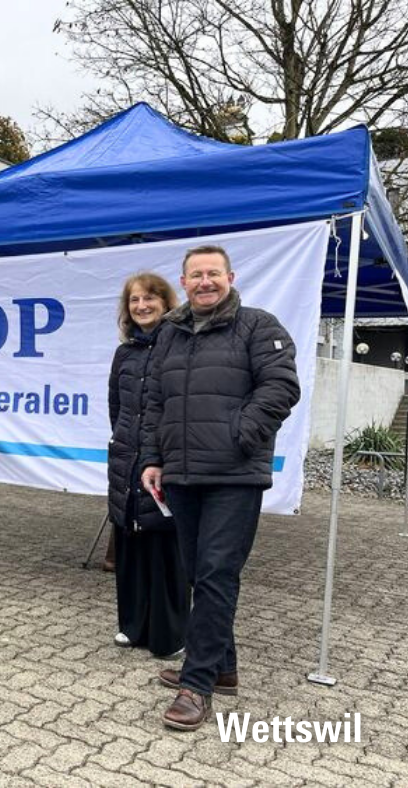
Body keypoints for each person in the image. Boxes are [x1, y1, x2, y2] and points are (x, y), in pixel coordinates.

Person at [141, 245, 300, 731]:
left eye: (213, 273)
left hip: (234, 475)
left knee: (216, 574)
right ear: (183, 282)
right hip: (182, 474)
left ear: (230, 277)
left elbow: (281, 388)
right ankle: (223, 667)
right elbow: (155, 400)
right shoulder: (169, 332)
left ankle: (197, 685)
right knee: (200, 573)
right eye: (196, 275)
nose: (205, 281)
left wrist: (238, 436)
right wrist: (153, 458)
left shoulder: (258, 326)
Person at [107, 272, 189, 658]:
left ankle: (169, 635)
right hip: (128, 459)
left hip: (165, 461)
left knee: (164, 549)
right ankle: (132, 625)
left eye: (149, 298)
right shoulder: (124, 354)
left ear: (166, 302)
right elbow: (116, 407)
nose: (142, 306)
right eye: (134, 300)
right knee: (130, 544)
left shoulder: (180, 347)